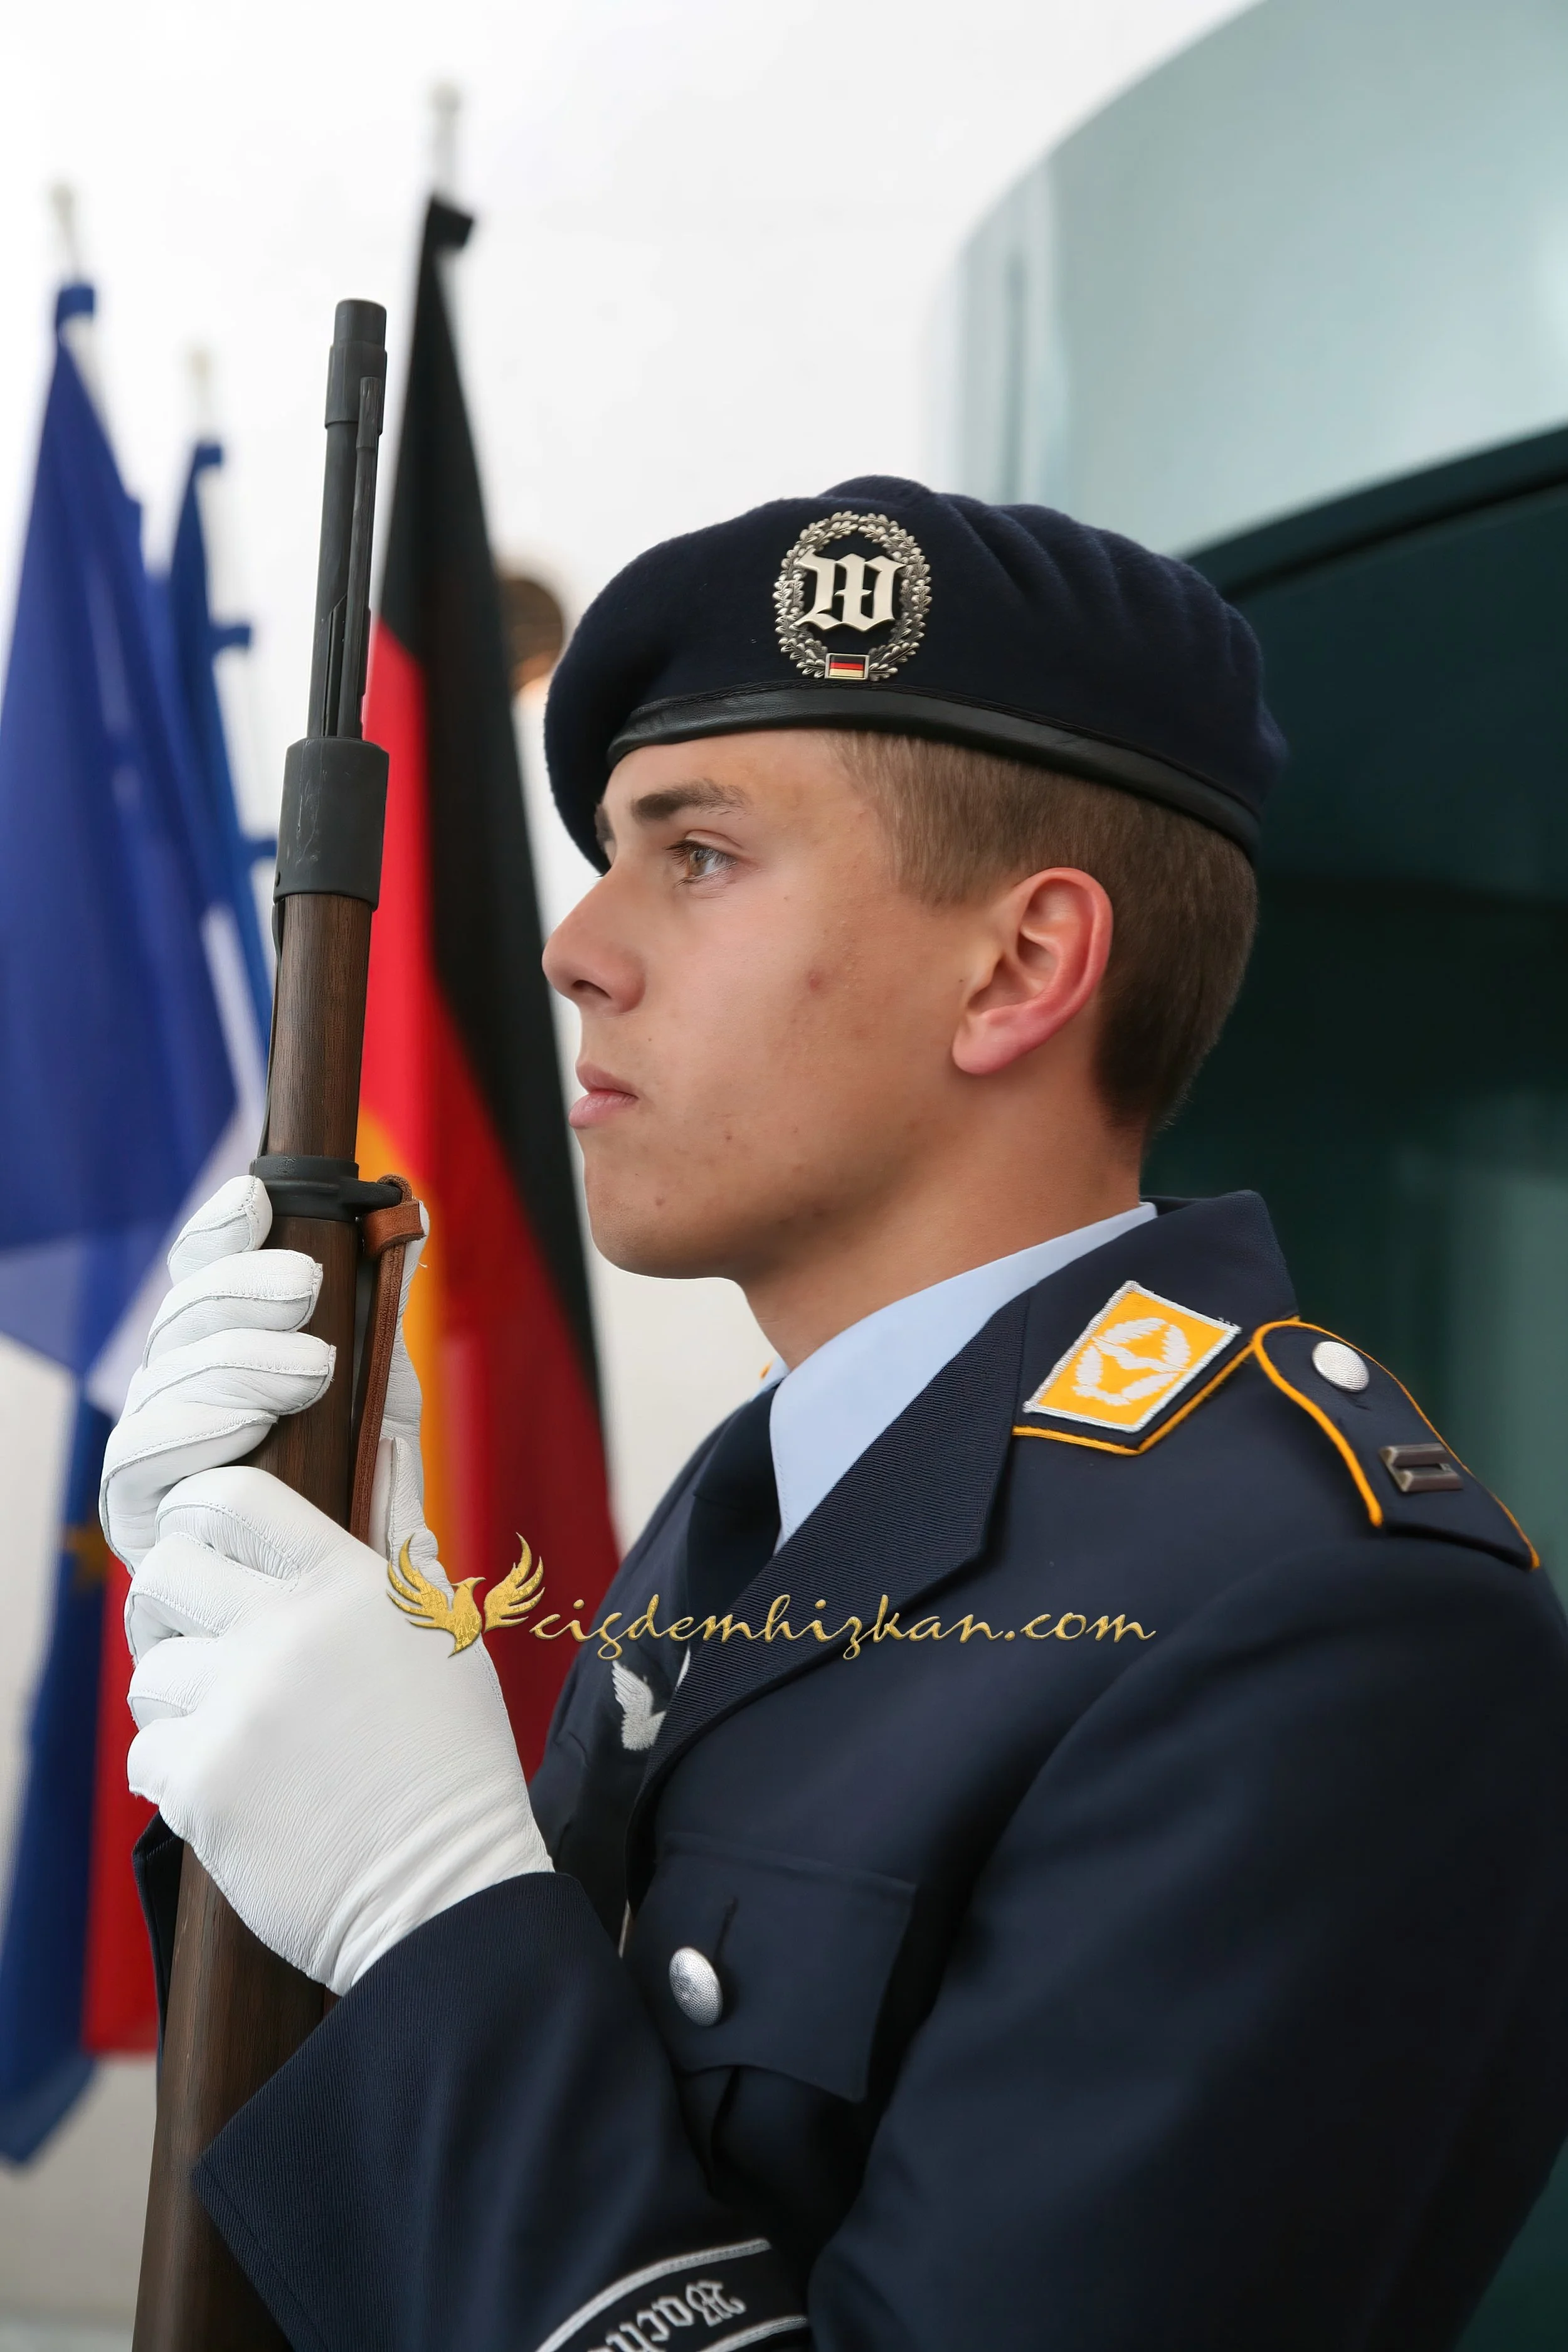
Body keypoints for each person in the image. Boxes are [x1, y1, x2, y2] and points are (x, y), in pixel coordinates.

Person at [102, 480, 1568, 2352]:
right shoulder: (763, 1502)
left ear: (1020, 967)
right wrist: (294, 1737)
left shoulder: (1324, 1615)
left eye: (696, 855)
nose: (577, 948)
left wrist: (426, 1917)